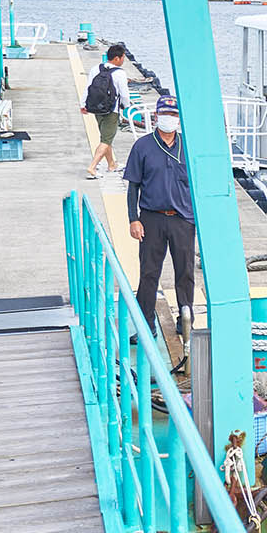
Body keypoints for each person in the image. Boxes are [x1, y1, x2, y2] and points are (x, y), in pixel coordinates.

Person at [122, 95, 194, 332]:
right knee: (149, 272)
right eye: (165, 114)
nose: (169, 119)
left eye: (173, 115)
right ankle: (146, 325)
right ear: (156, 116)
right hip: (151, 218)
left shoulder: (188, 146)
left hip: (183, 219)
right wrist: (133, 219)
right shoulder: (142, 146)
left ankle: (185, 321)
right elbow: (133, 186)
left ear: (179, 119)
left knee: (185, 272)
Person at [82, 43, 131, 179]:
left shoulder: (95, 69)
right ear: (116, 58)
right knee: (106, 140)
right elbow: (124, 94)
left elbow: (88, 88)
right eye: (122, 58)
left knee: (105, 138)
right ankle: (92, 167)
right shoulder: (120, 73)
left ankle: (111, 165)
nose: (123, 60)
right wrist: (126, 107)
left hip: (96, 108)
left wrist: (83, 104)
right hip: (112, 110)